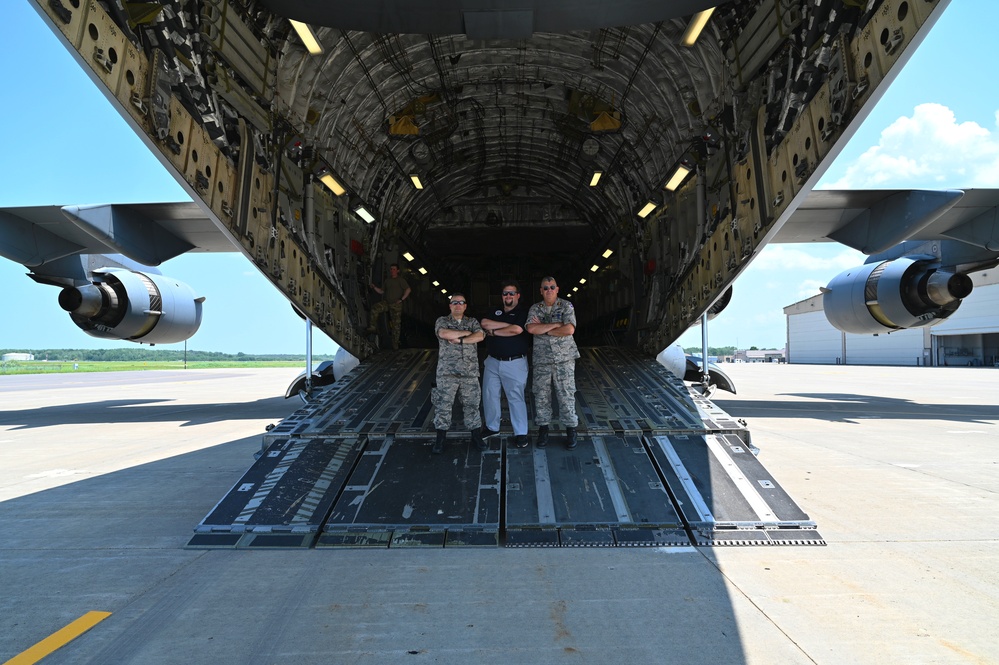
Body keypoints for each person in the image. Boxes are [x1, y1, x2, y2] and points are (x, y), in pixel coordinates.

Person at [525, 276, 580, 449]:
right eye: (545, 287)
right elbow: (531, 328)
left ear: (557, 289)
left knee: (566, 394)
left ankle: (571, 429)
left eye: (552, 287)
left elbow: (570, 329)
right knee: (541, 396)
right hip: (542, 360)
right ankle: (543, 430)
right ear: (541, 291)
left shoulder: (566, 306)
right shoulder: (535, 308)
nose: (549, 290)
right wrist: (556, 325)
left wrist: (545, 329)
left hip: (564, 360)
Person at [432, 293, 486, 454]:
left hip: (469, 373)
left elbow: (481, 335)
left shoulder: (472, 322)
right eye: (454, 302)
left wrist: (461, 339)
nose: (457, 305)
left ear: (465, 306)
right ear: (450, 306)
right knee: (443, 406)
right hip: (447, 373)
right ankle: (440, 439)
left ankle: (476, 436)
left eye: (461, 302)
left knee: (472, 406)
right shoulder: (442, 321)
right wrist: (468, 334)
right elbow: (443, 334)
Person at [479, 280, 530, 449]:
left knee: (515, 397)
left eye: (511, 293)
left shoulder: (523, 312)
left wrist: (494, 332)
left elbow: (517, 330)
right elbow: (485, 323)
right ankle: (492, 427)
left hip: (514, 362)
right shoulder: (495, 311)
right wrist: (509, 326)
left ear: (518, 296)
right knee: (489, 394)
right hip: (493, 361)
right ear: (502, 296)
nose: (508, 296)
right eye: (505, 293)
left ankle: (521, 433)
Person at [367, 263, 411, 350]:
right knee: (375, 308)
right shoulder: (387, 281)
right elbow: (381, 291)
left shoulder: (400, 280)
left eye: (394, 269)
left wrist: (402, 299)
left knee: (396, 326)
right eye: (391, 269)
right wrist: (374, 287)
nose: (392, 271)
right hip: (387, 303)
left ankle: (395, 345)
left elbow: (408, 289)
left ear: (398, 271)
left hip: (396, 305)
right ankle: (372, 327)